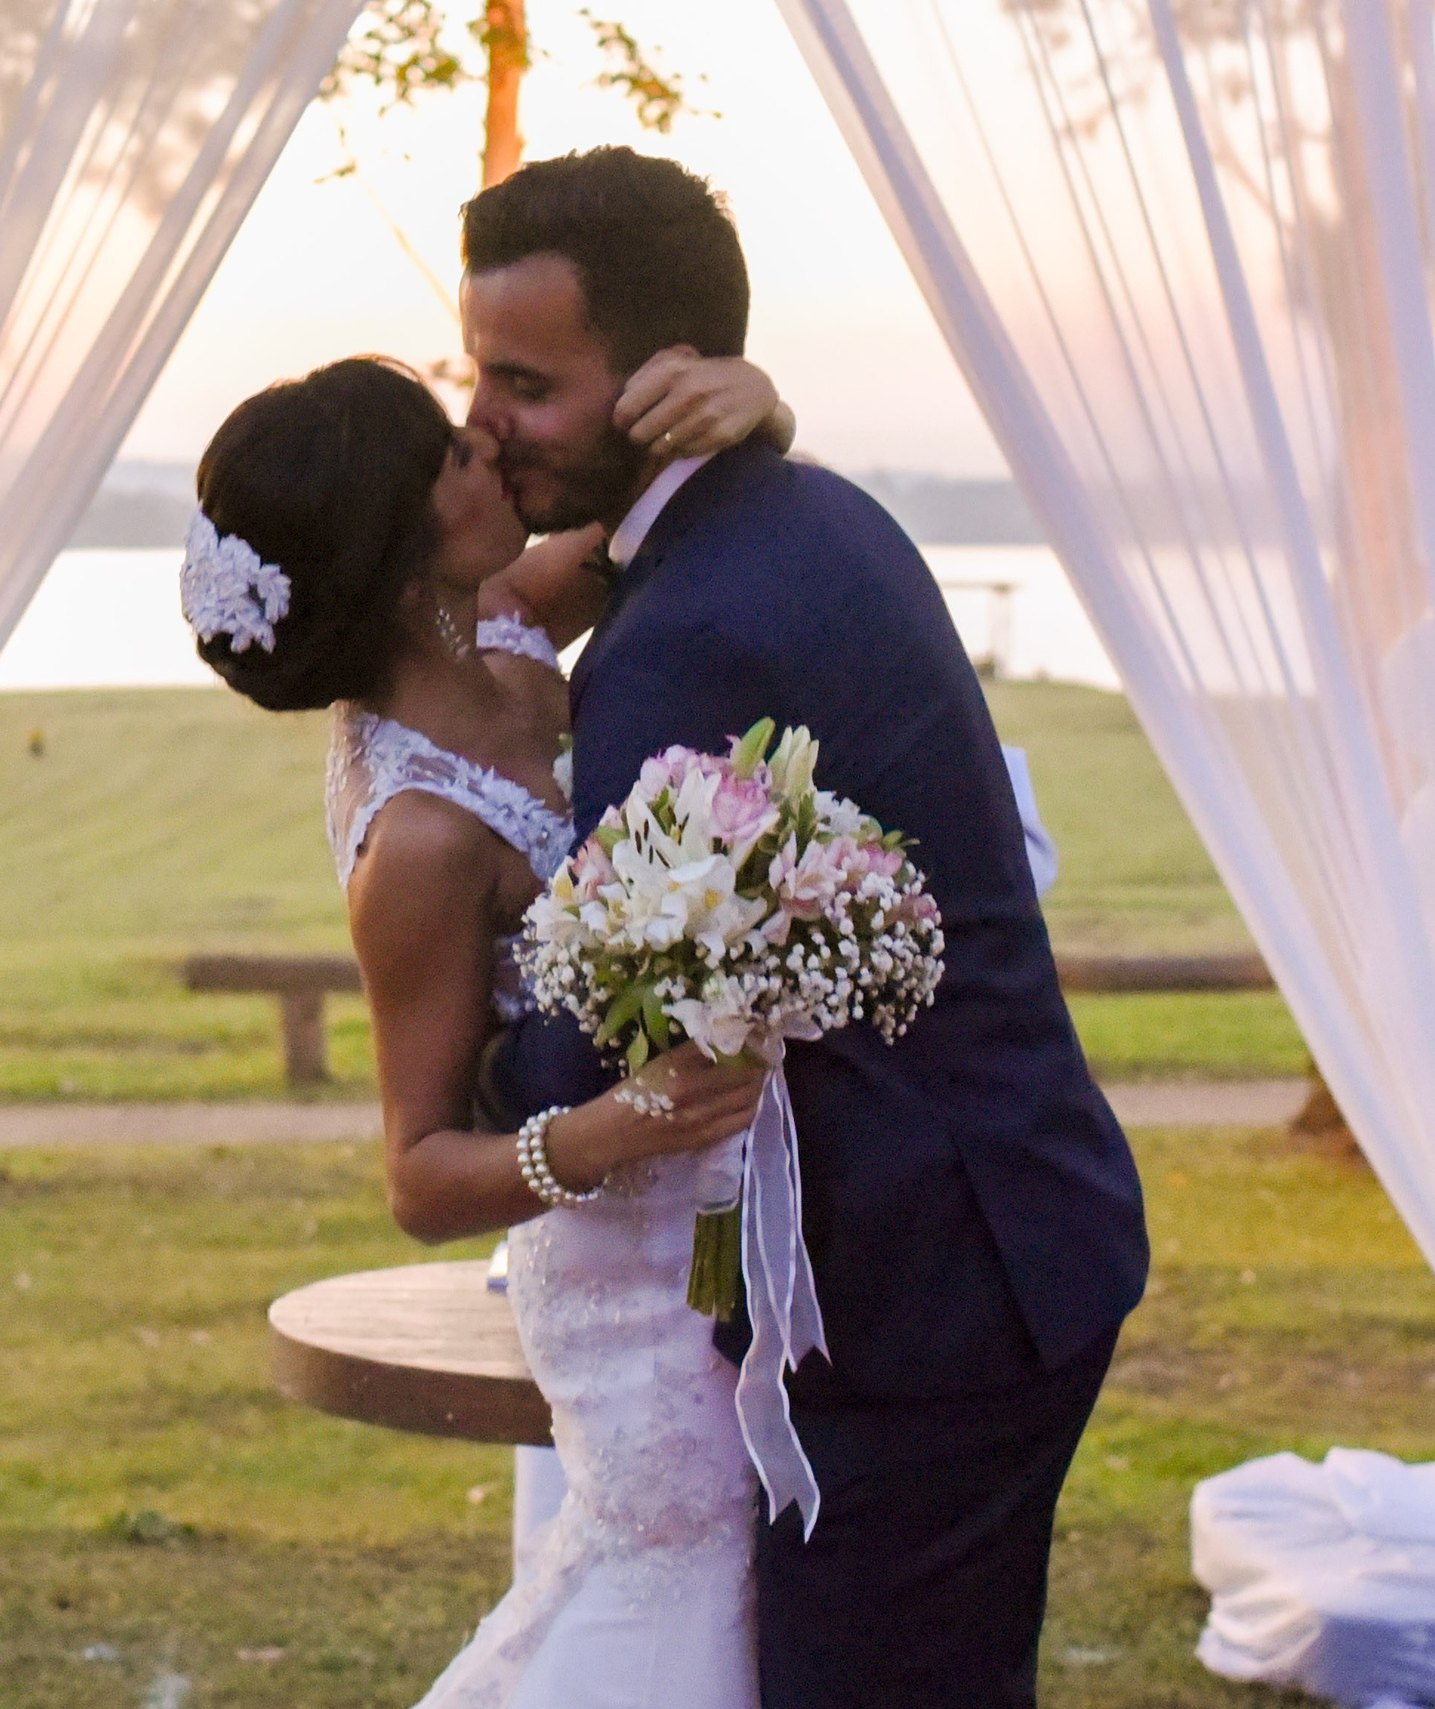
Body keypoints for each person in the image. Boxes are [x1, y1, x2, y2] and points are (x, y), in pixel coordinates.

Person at [469, 148, 1147, 1709]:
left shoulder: (687, 632)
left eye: (525, 381)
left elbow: (602, 1014)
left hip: (937, 1290)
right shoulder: (794, 516)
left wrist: (486, 1077)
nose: (485, 421)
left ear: (659, 389)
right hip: (997, 1235)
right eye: (474, 372)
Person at [183, 347, 795, 1708]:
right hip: (611, 1258)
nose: (485, 445)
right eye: (452, 454)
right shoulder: (418, 840)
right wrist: (625, 1121)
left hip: (720, 1208)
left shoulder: (508, 613)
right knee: (682, 1565)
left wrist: (763, 412)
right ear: (405, 552)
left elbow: (673, 530)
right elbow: (417, 1174)